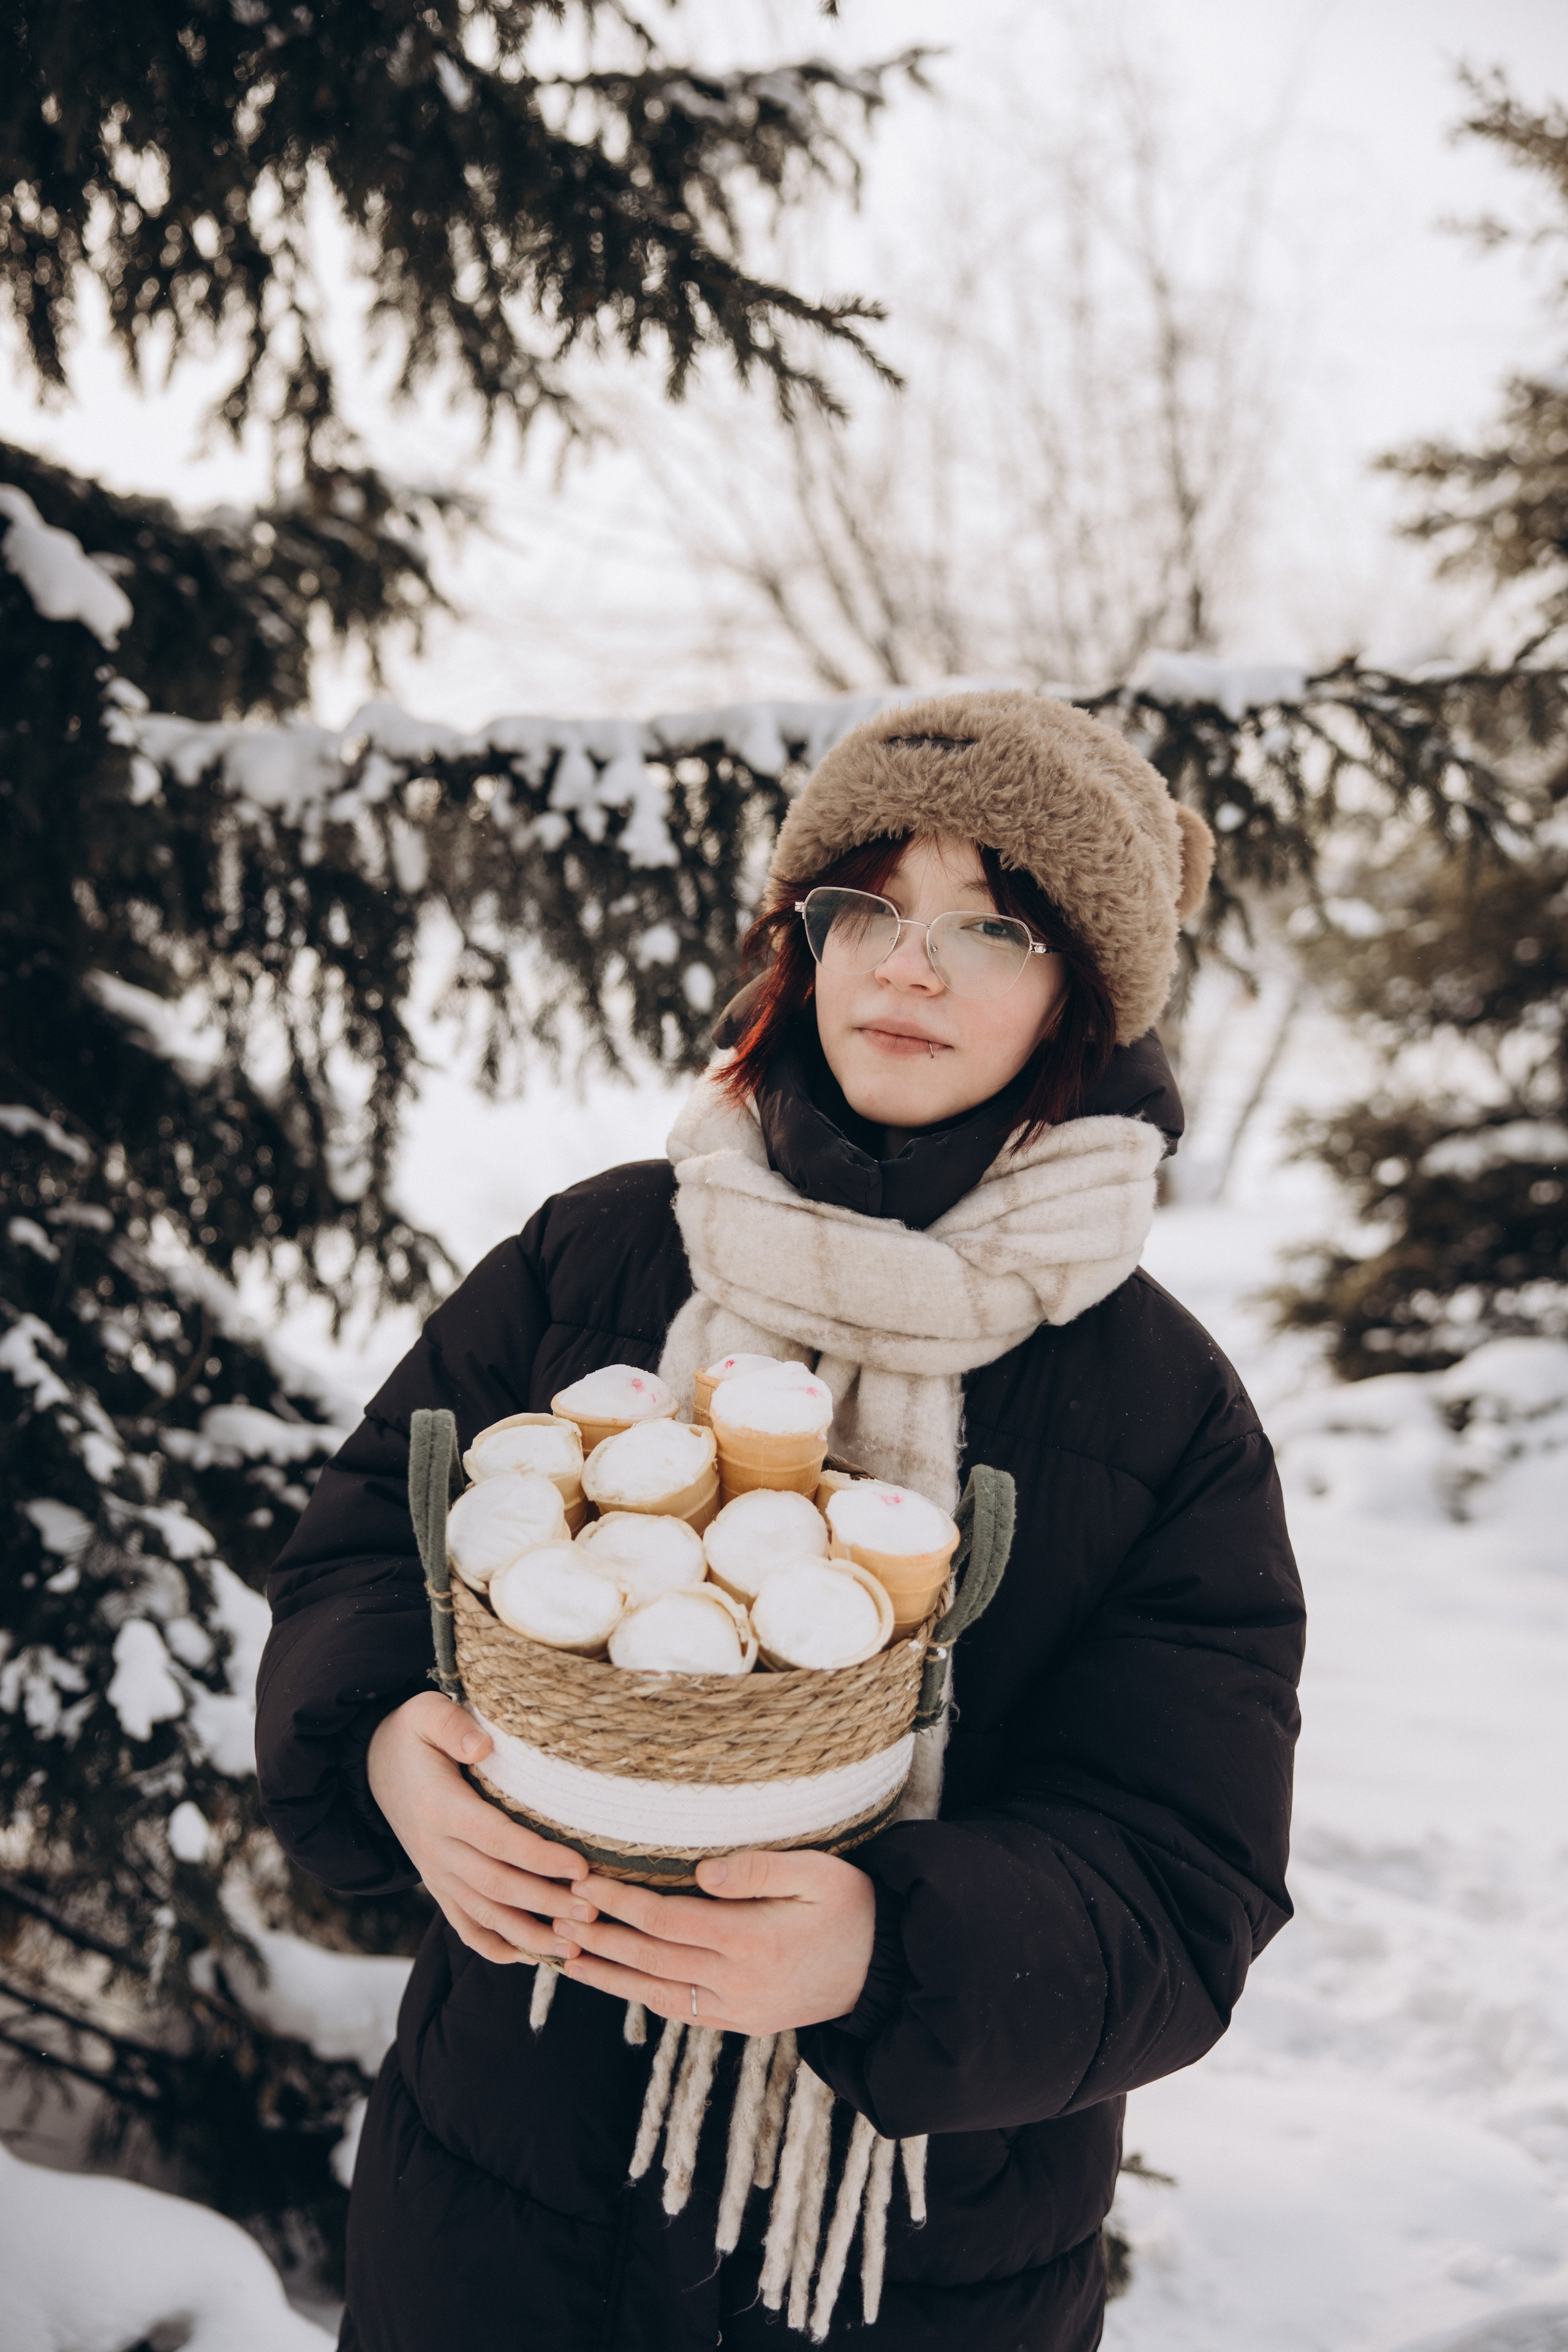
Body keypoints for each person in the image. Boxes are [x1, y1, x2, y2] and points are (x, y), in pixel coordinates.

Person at [257, 688, 1305, 2351]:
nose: (912, 964)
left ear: (1082, 998)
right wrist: (384, 1747)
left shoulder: (1158, 1403)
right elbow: (361, 1563)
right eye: (869, 908)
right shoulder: (595, 1260)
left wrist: (890, 1951)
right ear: (799, 944)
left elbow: (1185, 1887)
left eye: (996, 927)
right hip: (500, 2196)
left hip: (915, 2264)